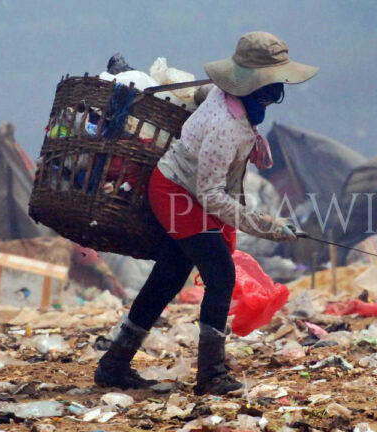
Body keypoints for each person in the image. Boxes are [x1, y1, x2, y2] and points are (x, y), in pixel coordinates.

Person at [94, 32, 318, 395]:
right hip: (178, 195)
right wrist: (267, 226)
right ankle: (211, 375)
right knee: (221, 275)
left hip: (189, 192)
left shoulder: (232, 100)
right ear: (256, 85)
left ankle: (113, 365)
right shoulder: (225, 126)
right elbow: (211, 194)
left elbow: (201, 99)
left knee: (167, 277)